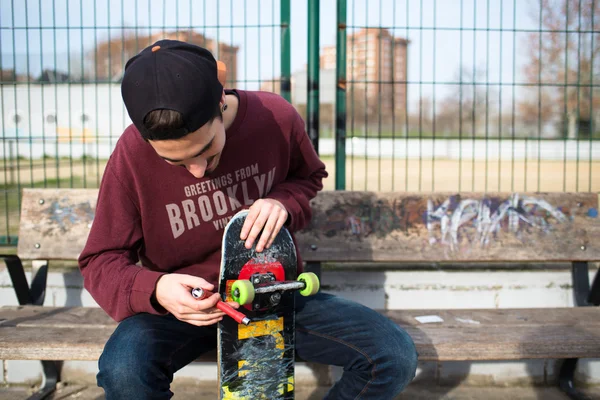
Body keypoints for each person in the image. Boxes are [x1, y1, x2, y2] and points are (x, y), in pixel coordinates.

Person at [78, 39, 417, 399]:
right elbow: (101, 261)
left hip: (273, 295)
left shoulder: (275, 117)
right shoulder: (131, 154)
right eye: (175, 162)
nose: (195, 172)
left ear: (220, 101)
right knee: (124, 372)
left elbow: (308, 178)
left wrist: (283, 201)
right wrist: (158, 289)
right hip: (186, 312)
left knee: (392, 356)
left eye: (205, 149)